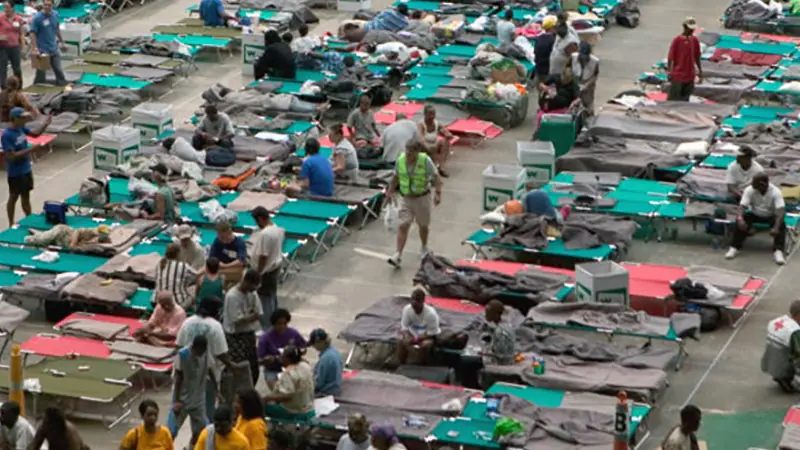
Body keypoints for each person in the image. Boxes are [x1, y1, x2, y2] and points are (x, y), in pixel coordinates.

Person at [176, 297, 246, 421]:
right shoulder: (215, 326)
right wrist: (232, 365)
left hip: (185, 373)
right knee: (206, 410)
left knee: (180, 410)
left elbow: (179, 345)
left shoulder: (187, 322)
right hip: (207, 375)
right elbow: (221, 353)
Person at [386, 140, 443, 268]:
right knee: (403, 224)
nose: (408, 155)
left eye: (411, 153)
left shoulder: (425, 161)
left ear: (417, 153)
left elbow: (436, 177)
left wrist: (438, 193)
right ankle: (398, 254)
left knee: (423, 225)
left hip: (422, 197)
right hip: (406, 197)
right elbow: (395, 177)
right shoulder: (400, 160)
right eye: (407, 151)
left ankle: (424, 247)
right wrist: (389, 192)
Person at [724, 173, 786, 265]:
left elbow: (780, 211)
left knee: (781, 224)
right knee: (740, 221)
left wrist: (776, 227)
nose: (752, 185)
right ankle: (734, 247)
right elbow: (742, 207)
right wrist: (740, 219)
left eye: (755, 183)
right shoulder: (749, 190)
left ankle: (778, 251)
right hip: (755, 213)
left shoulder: (776, 192)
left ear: (762, 184)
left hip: (770, 215)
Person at [2, 107, 51, 225]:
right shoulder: (7, 135)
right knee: (13, 197)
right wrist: (30, 150)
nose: (25, 119)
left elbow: (35, 134)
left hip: (26, 169)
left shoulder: (21, 128)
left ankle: (29, 219)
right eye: (23, 117)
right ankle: (11, 223)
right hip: (15, 172)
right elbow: (11, 156)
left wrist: (46, 123)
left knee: (26, 196)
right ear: (14, 119)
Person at [169, 335, 217, 445]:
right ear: (194, 348)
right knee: (172, 430)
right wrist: (176, 401)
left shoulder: (205, 353)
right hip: (183, 399)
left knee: (200, 430)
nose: (202, 353)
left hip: (198, 399)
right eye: (200, 351)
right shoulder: (183, 354)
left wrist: (216, 389)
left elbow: (210, 370)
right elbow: (178, 378)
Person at [223, 269, 263, 385]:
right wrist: (251, 316)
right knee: (239, 366)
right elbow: (238, 321)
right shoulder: (232, 296)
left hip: (249, 334)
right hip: (235, 336)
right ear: (246, 282)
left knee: (253, 365)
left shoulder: (253, 294)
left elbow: (258, 313)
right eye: (253, 287)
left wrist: (249, 317)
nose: (253, 290)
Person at [250, 206, 285, 325]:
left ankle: (267, 326)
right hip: (275, 267)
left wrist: (258, 273)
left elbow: (263, 256)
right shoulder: (277, 229)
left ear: (260, 219)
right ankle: (276, 321)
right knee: (272, 297)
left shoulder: (265, 234)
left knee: (264, 300)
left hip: (266, 271)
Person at [262, 345, 316, 421]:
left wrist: (267, 398)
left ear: (287, 359)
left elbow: (286, 396)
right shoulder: (305, 366)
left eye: (282, 356)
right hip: (309, 409)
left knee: (262, 406)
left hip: (295, 413)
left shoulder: (288, 373)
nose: (280, 358)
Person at [258, 308, 308, 382]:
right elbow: (259, 360)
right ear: (273, 323)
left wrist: (297, 353)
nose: (282, 326)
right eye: (279, 323)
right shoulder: (265, 338)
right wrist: (267, 360)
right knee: (278, 391)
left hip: (292, 368)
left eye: (285, 323)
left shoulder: (293, 333)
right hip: (273, 370)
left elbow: (303, 347)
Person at [762, 300, 800, 392]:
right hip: (784, 363)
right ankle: (786, 378)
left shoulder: (775, 321)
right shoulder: (794, 330)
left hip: (770, 359)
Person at [397, 288, 441, 365]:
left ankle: (420, 366)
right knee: (402, 342)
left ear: (423, 301)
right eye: (412, 299)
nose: (414, 303)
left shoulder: (431, 314)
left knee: (425, 345)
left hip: (426, 336)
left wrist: (415, 339)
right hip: (412, 334)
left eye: (417, 300)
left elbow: (431, 333)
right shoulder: (407, 309)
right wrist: (407, 337)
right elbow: (404, 327)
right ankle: (401, 364)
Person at [29, 0, 67, 86]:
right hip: (42, 50)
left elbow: (57, 29)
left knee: (58, 70)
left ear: (53, 5)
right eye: (45, 5)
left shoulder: (55, 14)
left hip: (53, 48)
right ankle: (37, 89)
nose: (46, 7)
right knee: (41, 73)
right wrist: (35, 48)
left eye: (49, 5)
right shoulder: (37, 18)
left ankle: (62, 86)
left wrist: (62, 42)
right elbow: (32, 33)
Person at [667, 17, 702, 101]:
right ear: (685, 27)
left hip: (690, 76)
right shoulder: (677, 40)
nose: (691, 31)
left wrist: (700, 71)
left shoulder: (694, 40)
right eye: (690, 29)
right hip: (678, 76)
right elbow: (670, 57)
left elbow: (697, 57)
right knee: (673, 99)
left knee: (685, 100)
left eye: (692, 29)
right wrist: (669, 72)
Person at [155, 243, 196, 310]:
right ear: (178, 253)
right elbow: (197, 275)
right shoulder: (183, 265)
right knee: (194, 291)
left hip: (157, 302)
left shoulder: (159, 264)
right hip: (177, 304)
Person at [417, 104, 454, 178]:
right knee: (422, 144)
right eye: (429, 114)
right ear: (425, 114)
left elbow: (448, 133)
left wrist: (447, 135)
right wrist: (428, 148)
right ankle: (431, 166)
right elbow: (420, 138)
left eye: (433, 114)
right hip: (424, 147)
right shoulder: (421, 125)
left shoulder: (437, 123)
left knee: (445, 142)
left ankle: (441, 167)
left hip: (434, 145)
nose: (432, 117)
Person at [209, 222, 248, 286]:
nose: (220, 238)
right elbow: (212, 257)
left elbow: (241, 261)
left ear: (229, 232)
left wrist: (226, 266)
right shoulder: (218, 241)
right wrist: (218, 263)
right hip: (221, 269)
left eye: (222, 236)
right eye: (218, 235)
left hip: (235, 269)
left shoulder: (239, 242)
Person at [309, 328, 343, 396]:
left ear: (319, 342)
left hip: (328, 392)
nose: (313, 346)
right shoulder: (334, 352)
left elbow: (318, 383)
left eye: (313, 343)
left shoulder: (325, 359)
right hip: (336, 386)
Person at [481, 300, 516, 365]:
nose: (485, 315)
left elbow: (502, 356)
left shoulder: (500, 331)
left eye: (488, 313)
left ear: (497, 314)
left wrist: (484, 353)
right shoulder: (506, 325)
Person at [23, 223, 111, 248]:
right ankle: (30, 237)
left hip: (61, 242)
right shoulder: (92, 232)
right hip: (62, 232)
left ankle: (37, 233)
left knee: (45, 239)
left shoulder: (100, 242)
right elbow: (77, 231)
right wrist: (73, 243)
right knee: (42, 240)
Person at [571, 41, 599, 114]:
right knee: (574, 105)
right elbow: (568, 71)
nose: (583, 58)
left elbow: (595, 75)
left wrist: (587, 85)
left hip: (588, 86)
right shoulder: (573, 57)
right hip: (575, 83)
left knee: (588, 107)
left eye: (585, 56)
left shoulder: (595, 61)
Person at [0, 3, 24, 89]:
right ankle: (4, 89)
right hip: (2, 48)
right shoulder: (0, 17)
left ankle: (19, 88)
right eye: (4, 7)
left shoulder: (18, 19)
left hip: (15, 47)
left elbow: (21, 34)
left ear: (12, 8)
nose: (5, 9)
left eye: (7, 7)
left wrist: (23, 48)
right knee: (2, 69)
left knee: (17, 69)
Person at [533, 16, 557, 83]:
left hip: (538, 69)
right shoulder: (553, 40)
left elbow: (535, 52)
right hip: (547, 70)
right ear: (551, 28)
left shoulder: (539, 38)